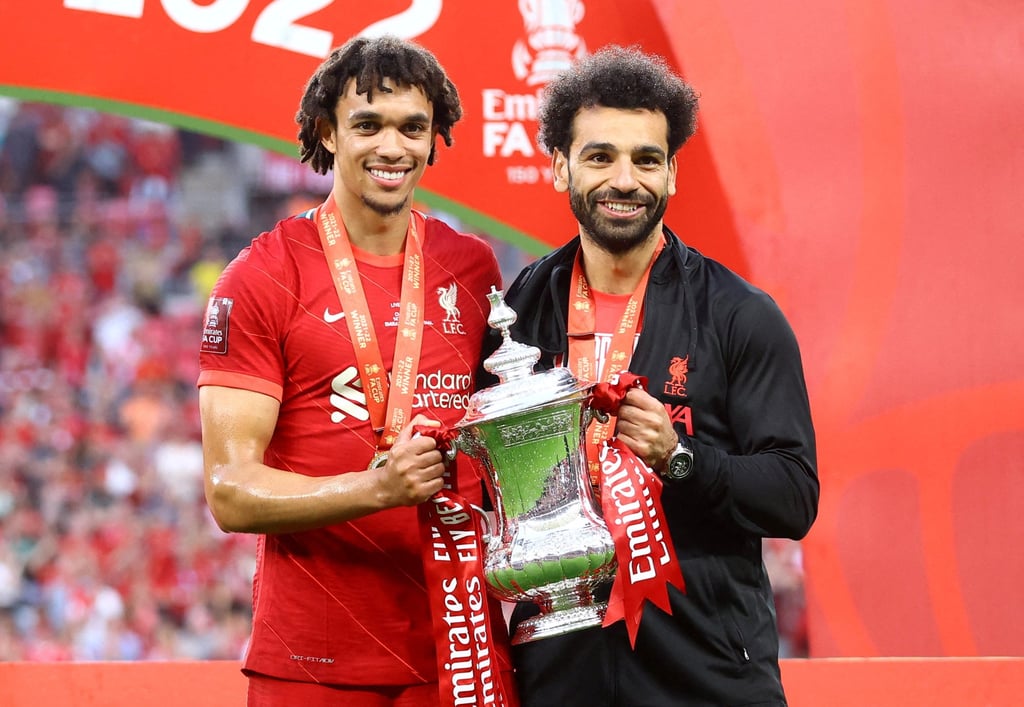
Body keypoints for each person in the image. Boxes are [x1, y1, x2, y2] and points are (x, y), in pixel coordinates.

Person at [492, 46, 820, 705]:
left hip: (707, 679)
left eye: (647, 159)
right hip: (561, 676)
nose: (625, 179)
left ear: (672, 173)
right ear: (559, 166)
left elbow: (794, 494)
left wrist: (680, 460)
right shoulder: (519, 313)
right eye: (600, 156)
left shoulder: (740, 316)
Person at [197, 36, 513, 706]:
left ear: (434, 140)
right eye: (368, 125)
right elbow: (230, 491)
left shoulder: (475, 268)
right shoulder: (259, 277)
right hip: (312, 661)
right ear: (327, 134)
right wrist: (379, 488)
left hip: (459, 649)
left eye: (411, 128)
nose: (391, 148)